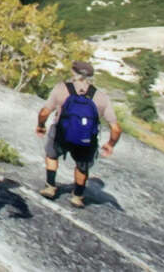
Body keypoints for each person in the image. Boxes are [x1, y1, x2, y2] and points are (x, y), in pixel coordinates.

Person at [35, 60, 121, 208]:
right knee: (82, 166)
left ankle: (50, 186)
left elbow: (44, 112)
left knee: (52, 155)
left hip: (61, 133)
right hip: (87, 139)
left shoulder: (61, 89)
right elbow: (116, 128)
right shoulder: (101, 97)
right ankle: (77, 196)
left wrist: (41, 125)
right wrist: (110, 144)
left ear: (73, 73)